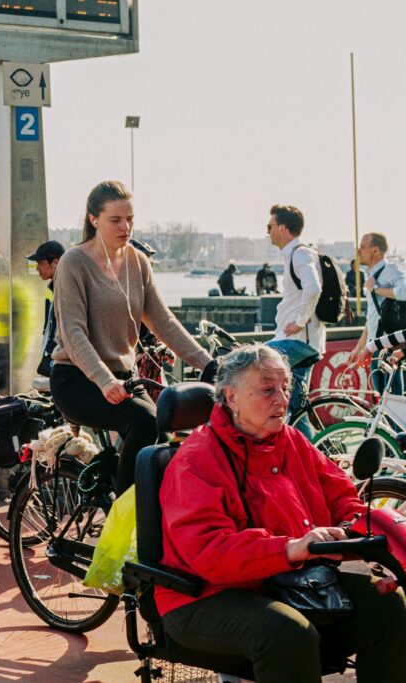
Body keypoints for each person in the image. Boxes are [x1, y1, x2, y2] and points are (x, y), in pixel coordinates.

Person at [157, 345, 406, 683]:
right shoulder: (196, 459)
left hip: (292, 579)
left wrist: (354, 528)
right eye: (267, 389)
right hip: (204, 594)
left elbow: (341, 497)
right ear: (231, 397)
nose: (283, 398)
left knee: (388, 604)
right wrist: (288, 548)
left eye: (286, 387)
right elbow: (209, 551)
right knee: (287, 632)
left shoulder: (290, 440)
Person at [52, 181, 214, 494]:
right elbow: (72, 334)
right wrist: (103, 380)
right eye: (115, 220)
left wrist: (209, 364)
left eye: (130, 219)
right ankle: (126, 519)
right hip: (77, 378)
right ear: (93, 219)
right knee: (144, 421)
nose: (125, 227)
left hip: (124, 378)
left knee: (165, 447)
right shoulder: (74, 262)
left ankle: (149, 514)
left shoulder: (137, 262)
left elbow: (163, 323)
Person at [264, 204, 324, 436]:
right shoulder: (297, 253)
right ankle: (314, 457)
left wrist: (299, 321)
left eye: (269, 226)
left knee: (251, 359)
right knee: (296, 411)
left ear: (283, 228)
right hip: (302, 342)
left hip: (298, 341)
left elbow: (313, 288)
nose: (267, 231)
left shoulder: (300, 253)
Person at [347, 232, 405, 395]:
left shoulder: (390, 270)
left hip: (387, 345)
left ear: (376, 250)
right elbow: (372, 319)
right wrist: (358, 348)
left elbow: (404, 292)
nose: (359, 251)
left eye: (363, 247)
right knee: (385, 404)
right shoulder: (372, 275)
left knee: (392, 402)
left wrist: (375, 288)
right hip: (375, 345)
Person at [26, 240, 64, 377]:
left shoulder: (67, 290)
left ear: (55, 263)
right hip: (54, 361)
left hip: (61, 364)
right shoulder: (54, 288)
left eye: (40, 263)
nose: (37, 269)